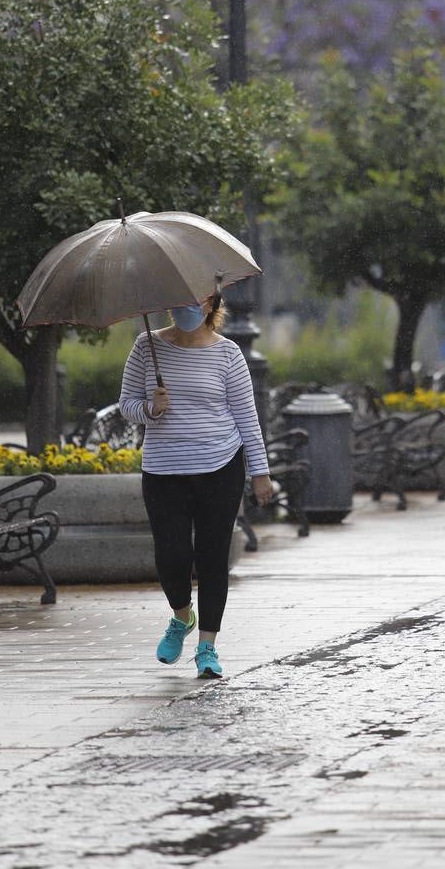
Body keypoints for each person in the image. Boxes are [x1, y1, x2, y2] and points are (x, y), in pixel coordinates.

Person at [118, 290, 273, 679]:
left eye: (196, 300)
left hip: (220, 467)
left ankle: (207, 647)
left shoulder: (228, 354)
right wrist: (152, 408)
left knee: (212, 557)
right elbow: (126, 405)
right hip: (163, 470)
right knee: (171, 556)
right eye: (179, 298)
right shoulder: (146, 347)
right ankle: (182, 617)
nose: (185, 307)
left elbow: (246, 417)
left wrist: (260, 472)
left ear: (212, 305)